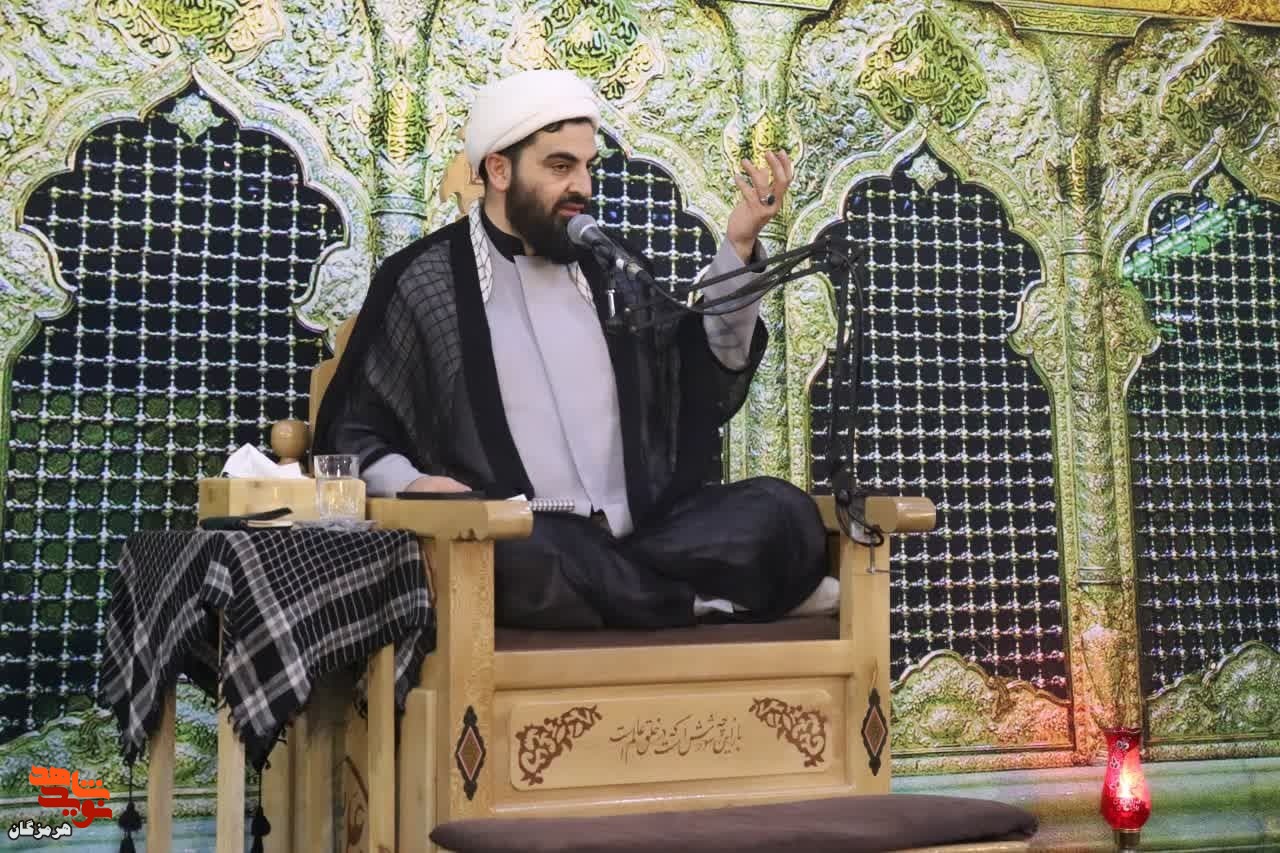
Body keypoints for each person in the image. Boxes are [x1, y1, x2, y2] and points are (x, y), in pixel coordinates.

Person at [313, 69, 835, 630]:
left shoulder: (614, 268)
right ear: (499, 170)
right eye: (560, 167)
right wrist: (415, 485)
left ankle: (640, 596)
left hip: (647, 537)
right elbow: (353, 433)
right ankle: (696, 601)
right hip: (526, 537)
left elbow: (701, 383)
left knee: (782, 512)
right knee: (519, 555)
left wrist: (739, 245)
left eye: (588, 167)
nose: (582, 187)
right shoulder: (425, 281)